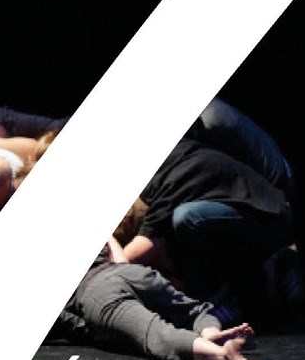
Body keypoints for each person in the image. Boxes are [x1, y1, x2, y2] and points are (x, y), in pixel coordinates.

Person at [119, 137, 294, 323]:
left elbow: (149, 242)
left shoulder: (169, 176)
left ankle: (232, 292)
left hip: (270, 218)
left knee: (187, 218)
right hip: (245, 213)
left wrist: (106, 269)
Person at [50, 236, 270, 360]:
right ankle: (211, 333)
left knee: (153, 332)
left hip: (95, 290)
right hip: (132, 274)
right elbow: (121, 260)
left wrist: (90, 330)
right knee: (194, 311)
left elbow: (57, 319)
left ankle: (222, 355)